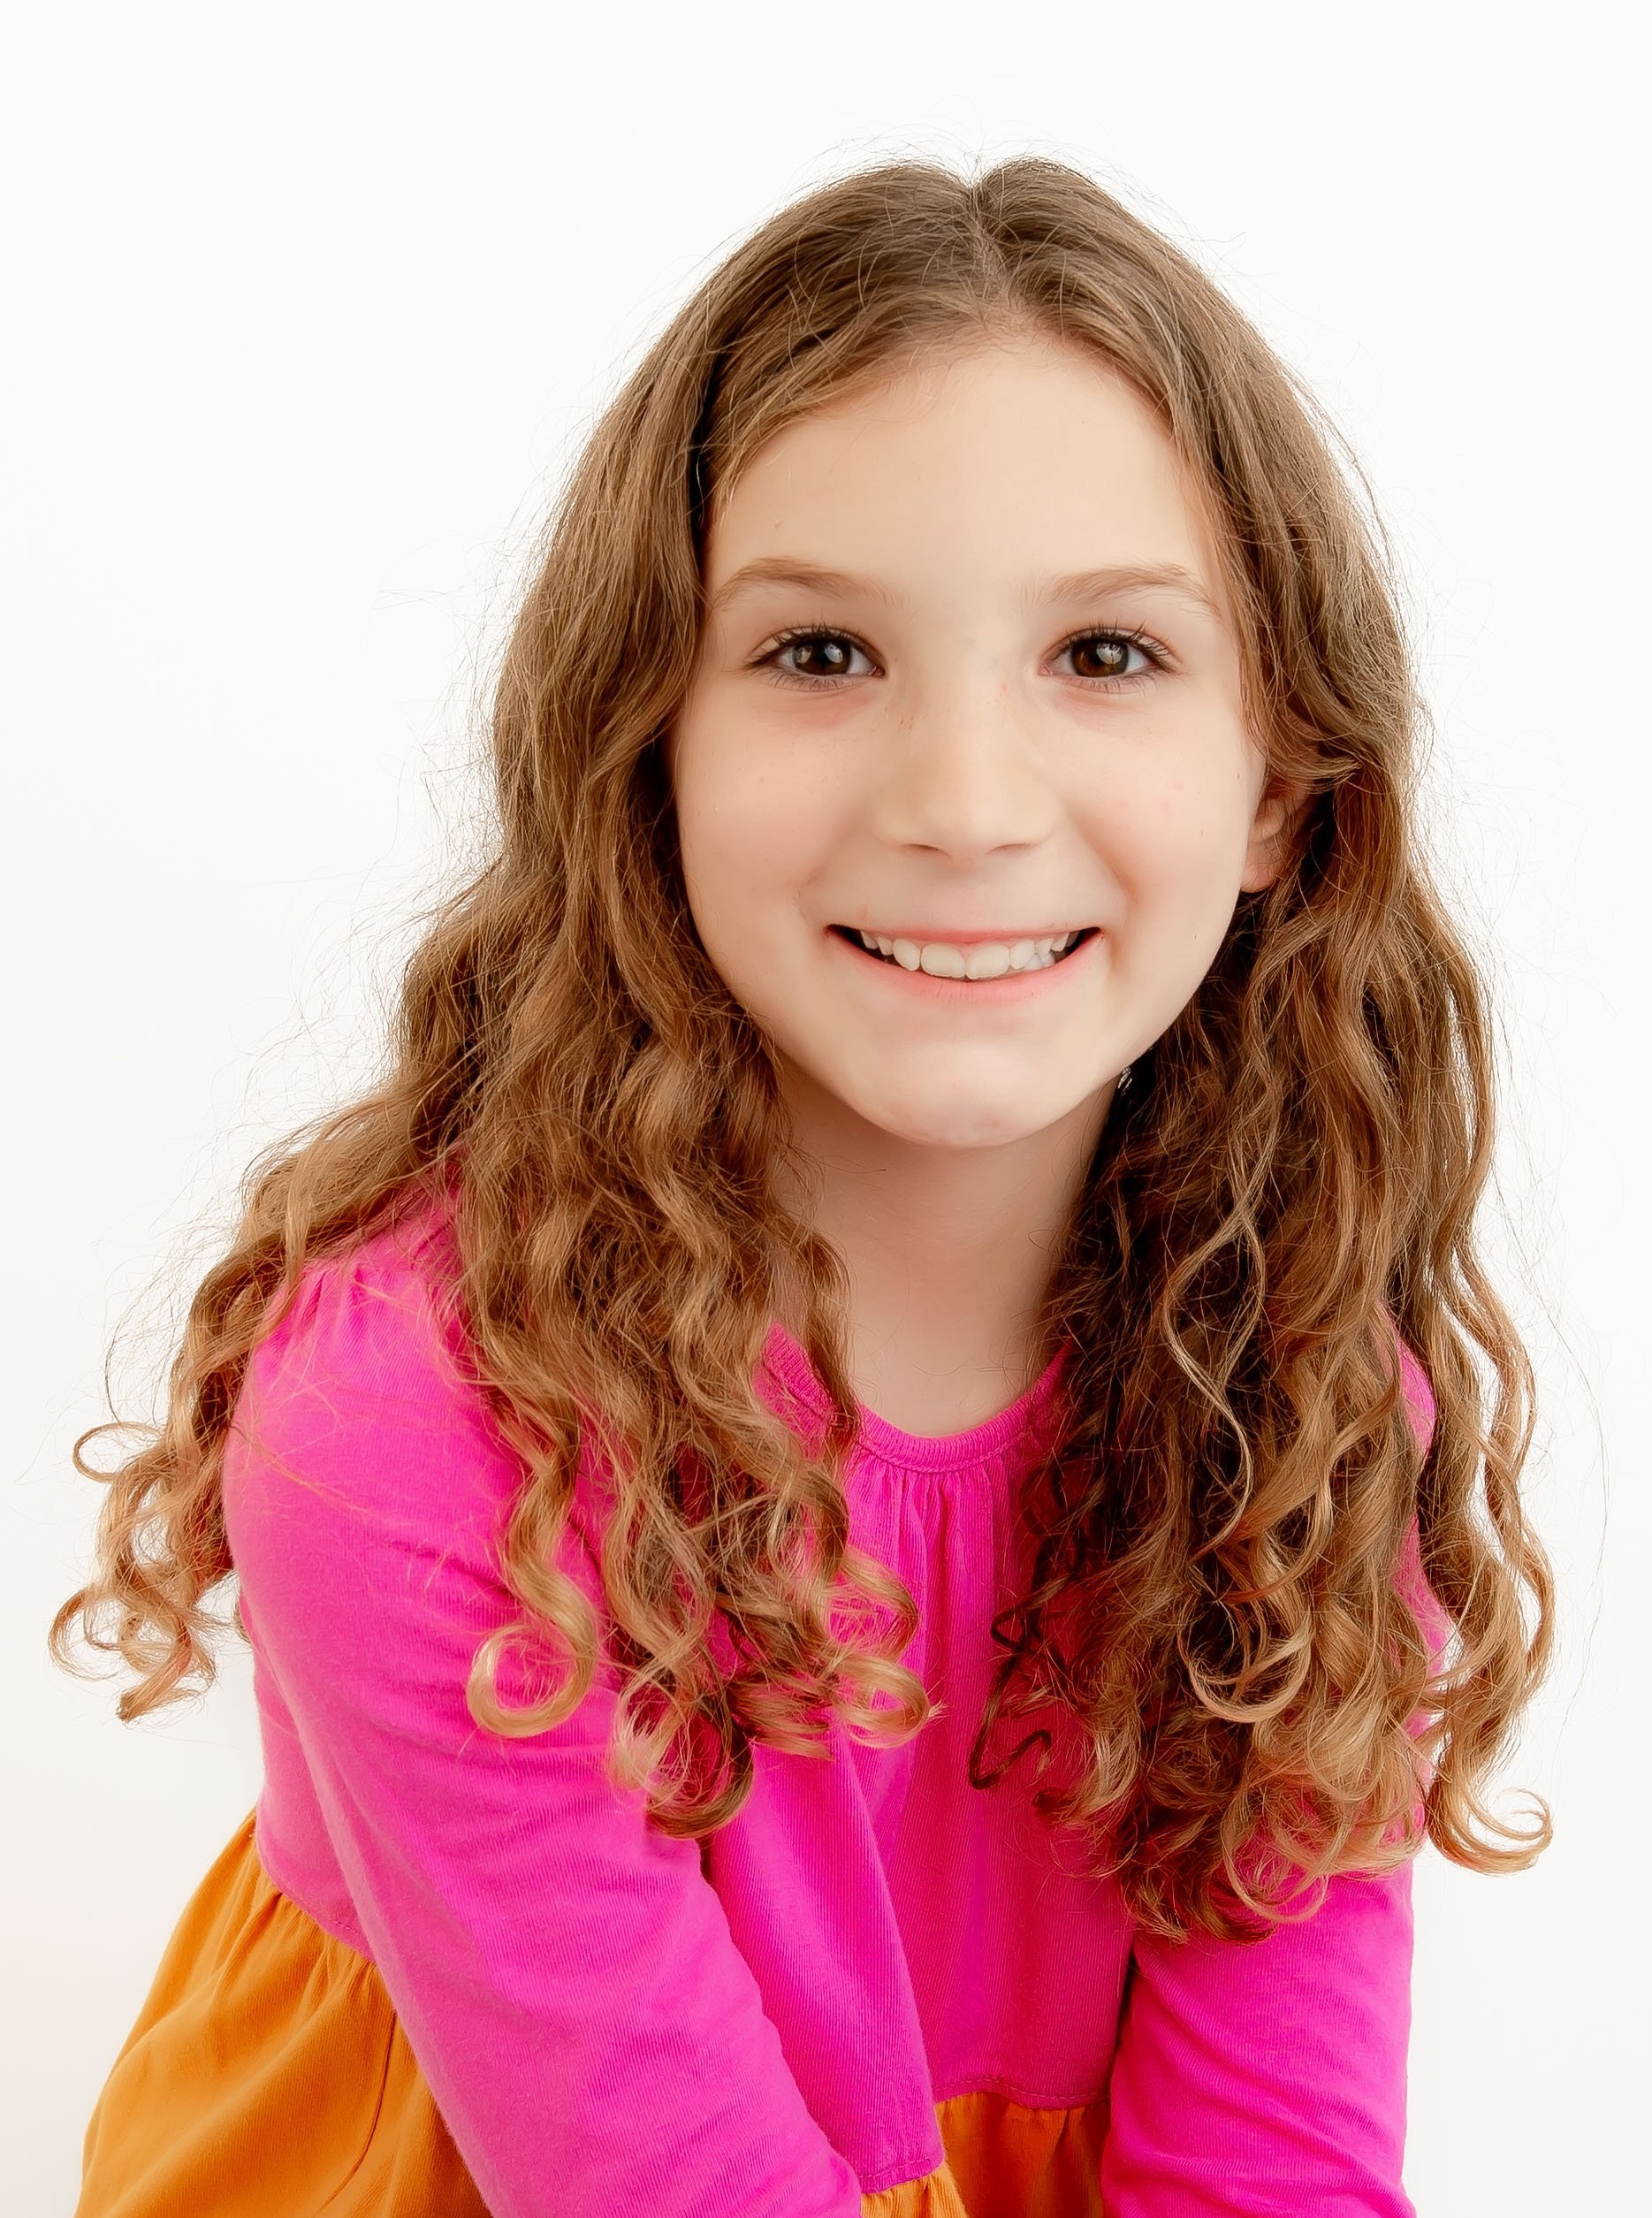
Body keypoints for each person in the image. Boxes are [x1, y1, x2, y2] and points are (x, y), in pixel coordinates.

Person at [54, 156, 1554, 2217]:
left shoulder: (1291, 1396)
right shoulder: (419, 1423)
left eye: (1105, 652)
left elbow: (1267, 2173)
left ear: (1279, 787)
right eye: (821, 651)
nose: (963, 802)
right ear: (641, 750)